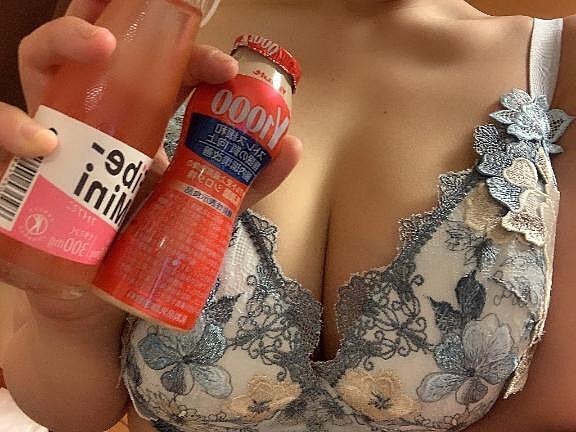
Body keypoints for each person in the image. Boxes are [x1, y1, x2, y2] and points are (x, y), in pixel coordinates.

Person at [1, 0, 575, 431]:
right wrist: (66, 307)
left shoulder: (562, 60)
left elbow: (551, 409)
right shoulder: (145, 28)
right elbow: (69, 408)